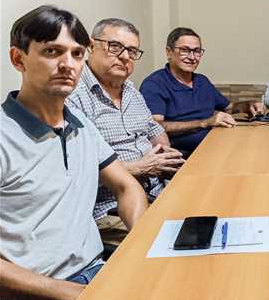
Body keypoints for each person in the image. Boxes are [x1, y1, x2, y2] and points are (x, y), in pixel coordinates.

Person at [0, 6, 148, 300]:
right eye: (52, 51)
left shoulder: (80, 125)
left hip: (93, 274)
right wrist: (73, 293)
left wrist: (142, 239)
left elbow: (126, 185)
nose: (68, 64)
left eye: (77, 54)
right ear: (19, 58)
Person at [67, 18, 184, 246]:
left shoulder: (131, 90)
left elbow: (154, 127)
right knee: (177, 241)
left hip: (157, 189)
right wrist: (140, 167)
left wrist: (165, 152)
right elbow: (75, 170)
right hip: (110, 210)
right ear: (91, 46)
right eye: (115, 47)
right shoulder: (74, 96)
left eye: (131, 51)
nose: (124, 56)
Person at [140, 27, 263, 155]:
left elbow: (229, 108)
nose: (192, 57)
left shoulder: (202, 81)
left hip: (218, 145)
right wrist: (204, 123)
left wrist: (248, 105)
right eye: (185, 50)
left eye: (197, 51)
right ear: (169, 52)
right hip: (186, 156)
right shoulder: (154, 84)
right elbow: (155, 127)